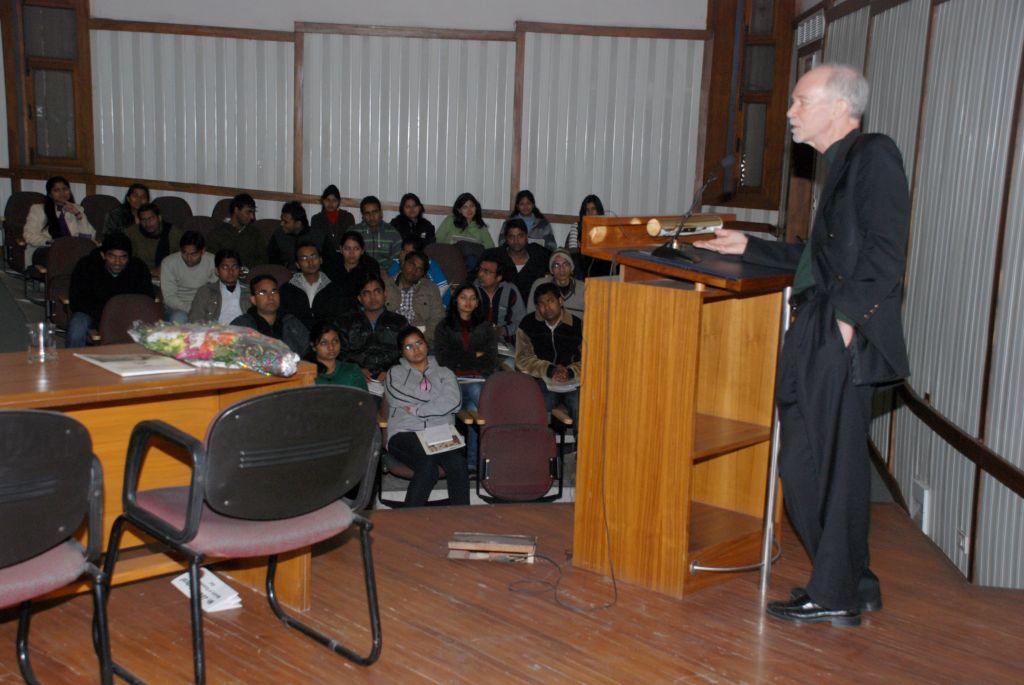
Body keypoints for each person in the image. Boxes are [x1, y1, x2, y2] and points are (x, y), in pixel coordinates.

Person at [695, 64, 910, 627]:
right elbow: (819, 262)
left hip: (836, 331)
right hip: (817, 324)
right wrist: (752, 245)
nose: (789, 111)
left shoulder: (873, 155)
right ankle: (854, 583)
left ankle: (836, 590)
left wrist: (845, 323)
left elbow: (886, 256)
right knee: (808, 461)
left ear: (840, 108)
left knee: (827, 467)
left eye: (800, 100)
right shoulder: (837, 168)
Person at [383, 326, 470, 507]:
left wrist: (418, 410)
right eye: (408, 347)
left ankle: (461, 516)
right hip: (405, 432)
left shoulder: (445, 371)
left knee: (458, 463)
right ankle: (410, 519)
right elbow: (399, 395)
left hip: (440, 431)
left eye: (419, 343)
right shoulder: (395, 373)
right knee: (427, 466)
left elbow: (453, 402)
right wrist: (437, 399)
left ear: (426, 343)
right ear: (401, 351)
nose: (416, 349)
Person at [433, 284, 499, 471]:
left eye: (473, 298)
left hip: (478, 379)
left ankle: (472, 463)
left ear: (478, 303)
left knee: (475, 407)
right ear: (455, 300)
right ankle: (490, 456)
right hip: (452, 382)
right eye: (463, 297)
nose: (468, 302)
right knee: (479, 400)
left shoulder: (485, 327)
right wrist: (474, 356)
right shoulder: (444, 326)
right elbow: (444, 359)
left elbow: (491, 359)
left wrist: (463, 357)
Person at [66, 233, 153, 348]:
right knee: (77, 326)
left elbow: (146, 298)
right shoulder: (86, 266)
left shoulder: (138, 268)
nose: (117, 262)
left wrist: (120, 316)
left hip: (127, 315)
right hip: (93, 314)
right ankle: (73, 363)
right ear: (103, 255)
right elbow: (77, 300)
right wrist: (106, 316)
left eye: (123, 257)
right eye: (112, 256)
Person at [515, 282, 583, 424]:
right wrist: (550, 370)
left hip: (572, 381)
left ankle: (581, 445)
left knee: (580, 406)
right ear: (537, 307)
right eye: (541, 304)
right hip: (543, 379)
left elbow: (590, 360)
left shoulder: (578, 326)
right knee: (539, 405)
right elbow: (522, 359)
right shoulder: (528, 324)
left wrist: (569, 372)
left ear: (560, 301)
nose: (547, 307)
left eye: (551, 301)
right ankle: (539, 444)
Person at [337, 275, 409, 383]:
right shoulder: (346, 323)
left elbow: (406, 352)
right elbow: (339, 353)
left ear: (385, 295)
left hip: (393, 379)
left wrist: (392, 370)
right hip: (355, 378)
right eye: (366, 293)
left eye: (377, 291)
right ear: (360, 298)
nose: (373, 297)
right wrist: (355, 369)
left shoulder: (399, 322)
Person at [23, 175, 95, 268]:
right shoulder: (38, 209)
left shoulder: (77, 209)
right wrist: (51, 242)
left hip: (71, 249)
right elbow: (28, 235)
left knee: (90, 256)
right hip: (44, 249)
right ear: (50, 194)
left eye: (65, 189)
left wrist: (78, 215)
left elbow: (90, 236)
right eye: (56, 190)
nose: (62, 193)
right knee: (67, 257)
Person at [230, 274, 309, 356]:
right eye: (263, 293)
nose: (270, 297)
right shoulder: (242, 325)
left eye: (274, 291)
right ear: (253, 300)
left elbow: (308, 353)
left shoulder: (292, 323)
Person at [315, 230, 382, 323]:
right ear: (341, 249)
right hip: (334, 313)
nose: (351, 253)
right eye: (347, 248)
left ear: (362, 250)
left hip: (361, 314)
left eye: (356, 249)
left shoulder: (370, 266)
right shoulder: (331, 266)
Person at [384, 250, 445, 345]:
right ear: (403, 263)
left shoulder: (431, 288)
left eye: (419, 269)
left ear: (423, 274)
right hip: (391, 336)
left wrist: (423, 340)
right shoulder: (386, 285)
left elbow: (438, 318)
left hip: (421, 336)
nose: (414, 271)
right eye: (411, 264)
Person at [159, 231, 217, 324]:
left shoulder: (212, 261)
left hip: (205, 306)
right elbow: (169, 297)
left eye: (193, 254)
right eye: (184, 253)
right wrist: (192, 309)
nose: (189, 258)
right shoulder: (169, 263)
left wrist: (204, 308)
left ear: (203, 251)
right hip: (177, 307)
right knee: (178, 319)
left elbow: (215, 291)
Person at [474, 249, 525, 345]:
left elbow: (522, 322)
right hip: (476, 341)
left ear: (498, 278)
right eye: (480, 269)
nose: (480, 274)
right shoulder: (472, 290)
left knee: (508, 360)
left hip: (503, 343)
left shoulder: (510, 291)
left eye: (486, 271)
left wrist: (503, 330)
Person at [279, 242, 331, 331]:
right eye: (304, 258)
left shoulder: (334, 288)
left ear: (321, 260)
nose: (310, 262)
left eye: (313, 257)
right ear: (297, 264)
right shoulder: (286, 290)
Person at [188, 249, 249, 325]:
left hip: (246, 332)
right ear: (217, 271)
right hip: (216, 332)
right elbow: (195, 318)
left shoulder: (249, 291)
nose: (230, 271)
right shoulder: (206, 291)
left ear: (240, 270)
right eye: (225, 268)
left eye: (234, 267)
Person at [206, 193, 266, 268]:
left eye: (253, 212)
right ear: (236, 210)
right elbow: (211, 261)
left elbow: (264, 260)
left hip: (250, 276)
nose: (252, 217)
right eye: (248, 212)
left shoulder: (255, 234)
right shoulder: (217, 234)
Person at [386, 236, 450, 306]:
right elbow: (391, 288)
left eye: (410, 253)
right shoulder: (397, 263)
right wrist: (402, 265)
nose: (406, 256)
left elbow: (444, 290)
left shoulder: (430, 265)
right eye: (404, 252)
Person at [305, 320, 368, 390]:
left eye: (335, 341)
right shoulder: (305, 374)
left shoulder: (352, 370)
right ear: (313, 346)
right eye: (324, 343)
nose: (331, 347)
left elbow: (365, 399)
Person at [527, 248, 585, 321]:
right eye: (556, 265)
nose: (561, 269)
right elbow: (531, 315)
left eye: (566, 264)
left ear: (571, 268)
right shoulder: (540, 284)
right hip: (546, 330)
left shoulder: (584, 288)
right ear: (551, 270)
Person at [435, 192, 495, 263]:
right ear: (459, 210)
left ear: (476, 207)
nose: (469, 210)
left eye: (472, 206)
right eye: (465, 207)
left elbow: (490, 248)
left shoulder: (480, 226)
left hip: (471, 262)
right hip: (450, 258)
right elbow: (438, 240)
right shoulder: (450, 220)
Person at [501, 218, 550, 301]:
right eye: (511, 236)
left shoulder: (539, 254)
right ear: (506, 238)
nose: (516, 241)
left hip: (534, 308)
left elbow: (558, 258)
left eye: (520, 236)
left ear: (526, 237)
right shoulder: (496, 257)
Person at [267, 201, 327, 268]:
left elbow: (329, 264)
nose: (281, 224)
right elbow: (272, 264)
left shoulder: (318, 236)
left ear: (298, 224)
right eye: (282, 220)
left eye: (286, 222)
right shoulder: (278, 235)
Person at [565, 194, 611, 278]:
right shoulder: (577, 226)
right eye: (587, 210)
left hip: (600, 263)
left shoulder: (606, 228)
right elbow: (572, 251)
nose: (590, 213)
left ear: (598, 211)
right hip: (581, 262)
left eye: (593, 209)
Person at [127, 202, 183, 273]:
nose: (147, 223)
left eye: (151, 218)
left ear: (159, 218)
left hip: (167, 273)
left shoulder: (174, 233)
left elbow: (183, 257)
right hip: (139, 274)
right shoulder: (131, 233)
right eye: (143, 220)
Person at [353, 195, 402, 264]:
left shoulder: (393, 233)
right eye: (367, 213)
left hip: (386, 273)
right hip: (360, 272)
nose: (371, 217)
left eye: (375, 212)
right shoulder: (354, 232)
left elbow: (398, 260)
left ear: (381, 213)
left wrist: (389, 273)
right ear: (363, 216)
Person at [310, 184, 356, 250]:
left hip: (344, 255)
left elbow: (351, 240)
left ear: (339, 202)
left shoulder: (348, 218)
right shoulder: (316, 219)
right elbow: (317, 243)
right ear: (323, 201)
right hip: (324, 256)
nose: (330, 204)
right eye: (327, 200)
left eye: (334, 200)